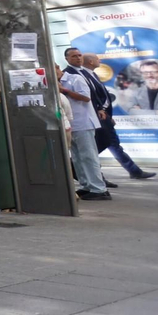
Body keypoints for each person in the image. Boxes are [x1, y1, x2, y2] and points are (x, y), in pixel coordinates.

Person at [83, 54, 154, 180]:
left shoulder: (92, 74)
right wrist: (102, 112)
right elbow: (93, 99)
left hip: (104, 117)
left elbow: (102, 97)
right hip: (97, 119)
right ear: (90, 61)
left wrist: (108, 115)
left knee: (112, 145)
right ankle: (83, 169)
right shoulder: (84, 75)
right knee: (102, 145)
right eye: (97, 59)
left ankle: (134, 171)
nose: (100, 60)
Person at [59, 48, 109, 201]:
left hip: (84, 122)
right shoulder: (66, 78)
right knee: (77, 157)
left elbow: (87, 98)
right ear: (67, 59)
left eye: (79, 55)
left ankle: (99, 188)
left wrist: (64, 90)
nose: (78, 58)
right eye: (74, 56)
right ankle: (87, 185)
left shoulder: (75, 78)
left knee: (88, 155)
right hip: (72, 123)